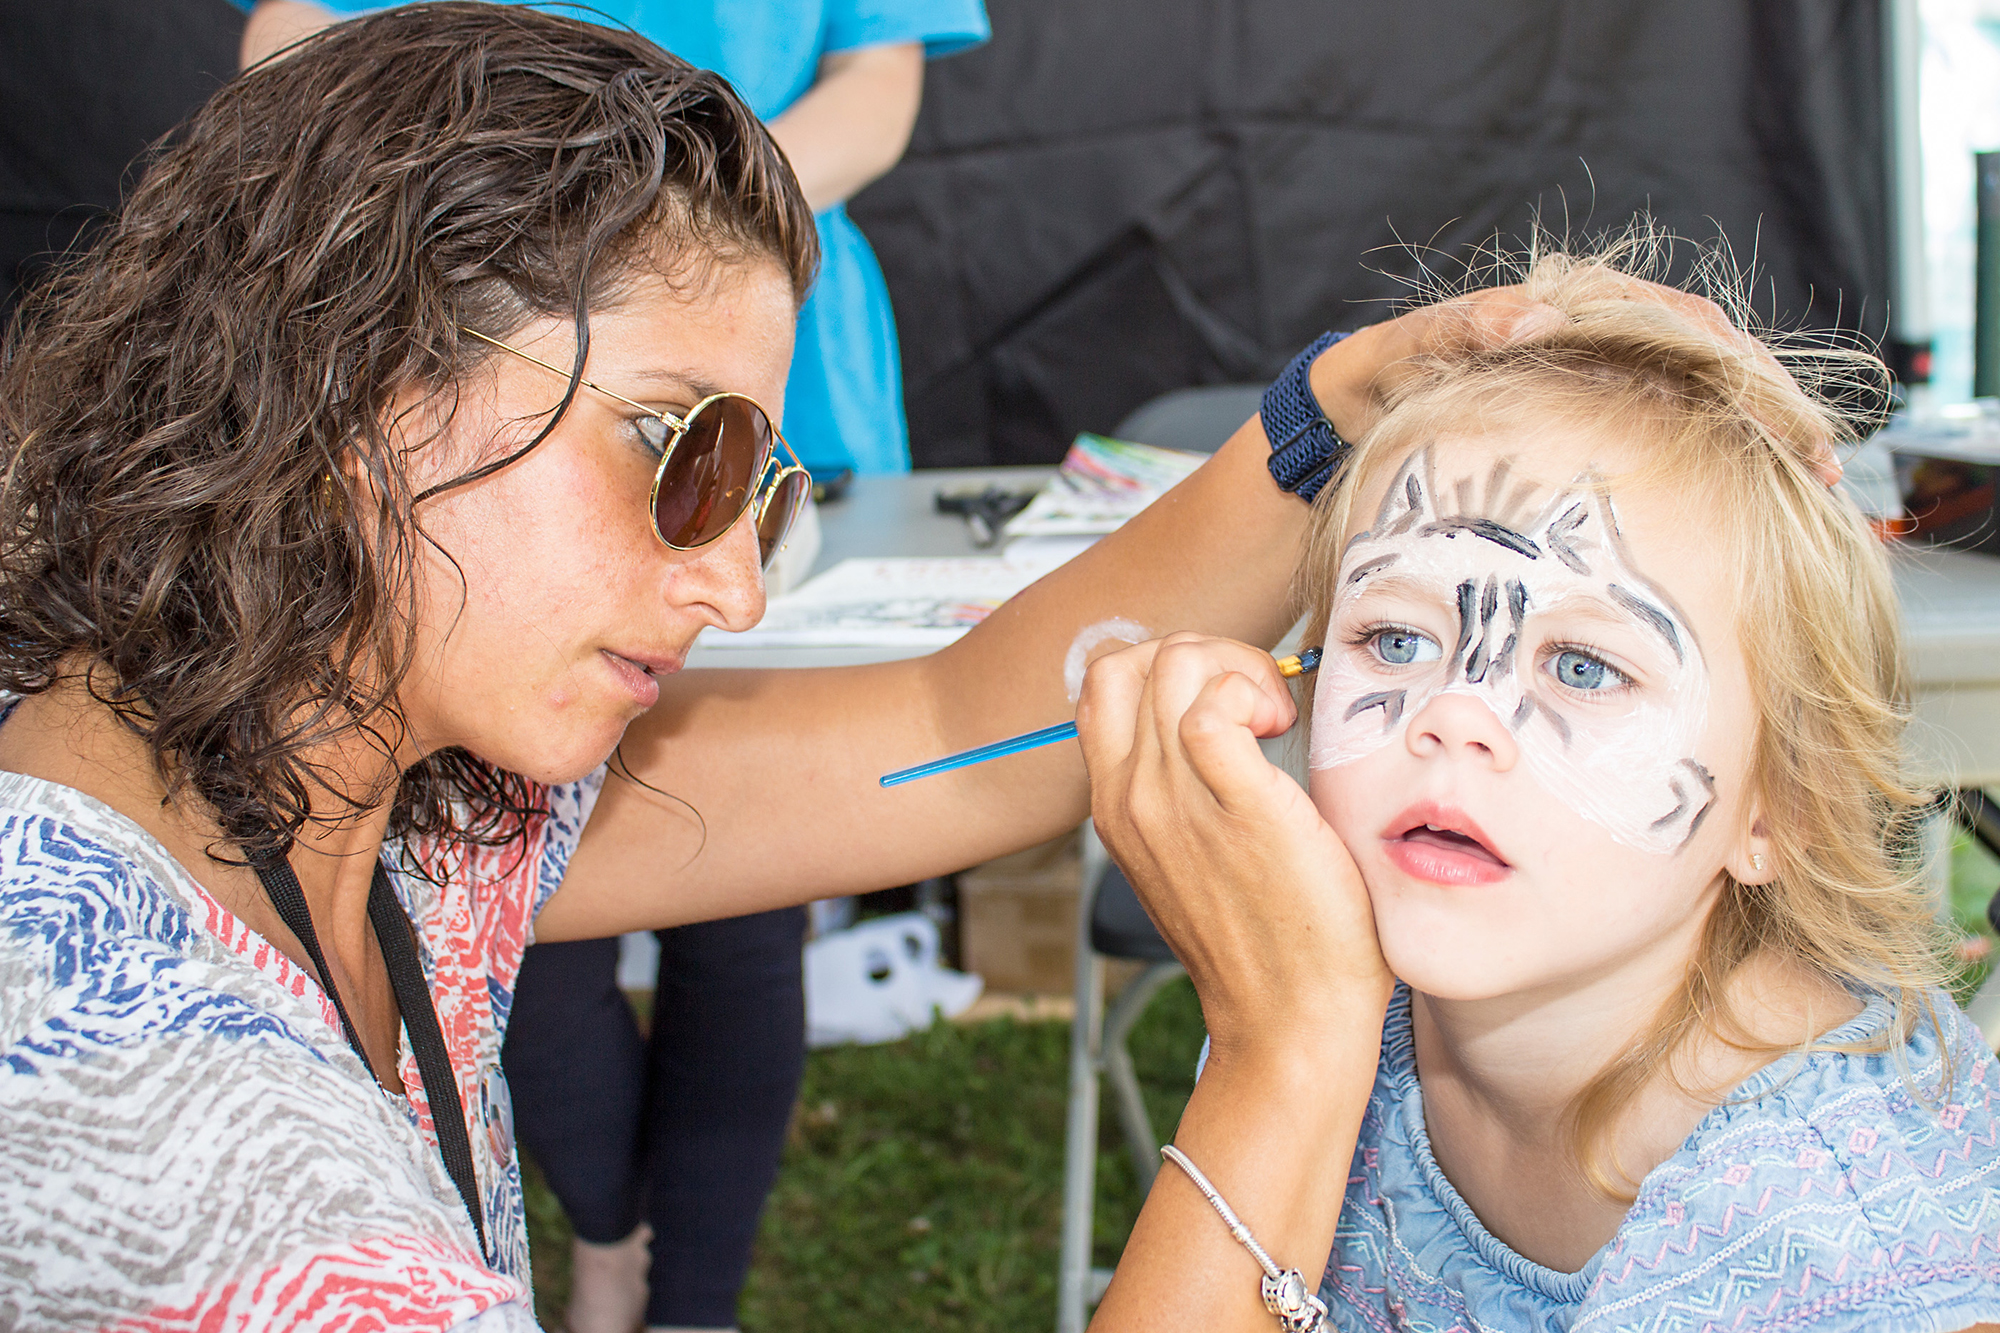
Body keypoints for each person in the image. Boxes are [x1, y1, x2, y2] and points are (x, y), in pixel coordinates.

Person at [0, 6, 1532, 1328]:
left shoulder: (333, 784)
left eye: (764, 494)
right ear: (356, 375)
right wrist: (1288, 1052)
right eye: (688, 452)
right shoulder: (192, 1154)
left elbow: (958, 721)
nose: (737, 587)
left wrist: (1334, 408)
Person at [1077, 241, 2000, 1331]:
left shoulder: (1835, 1239)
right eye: (1394, 635)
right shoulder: (1313, 1011)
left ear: (1777, 808)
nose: (1453, 714)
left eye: (1580, 666)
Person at [241, 7, 981, 1327]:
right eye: (668, 450)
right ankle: (612, 1226)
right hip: (511, 371)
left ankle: (689, 1302)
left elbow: (879, 83)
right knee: (498, 896)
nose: (730, 597)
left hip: (754, 342)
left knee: (746, 912)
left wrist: (684, 246)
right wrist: (495, 246)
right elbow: (292, 61)